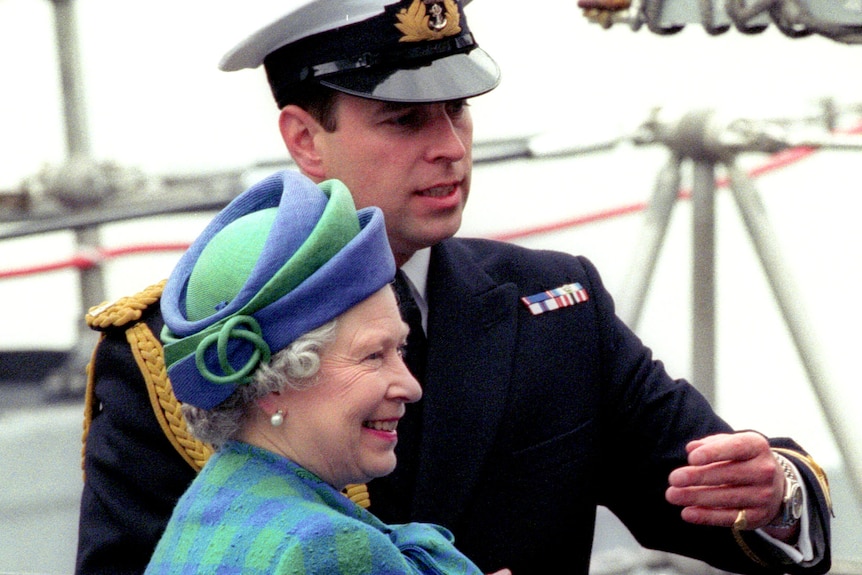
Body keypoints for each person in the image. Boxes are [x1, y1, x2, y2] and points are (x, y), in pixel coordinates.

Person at [76, 1, 833, 574]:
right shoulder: (179, 346)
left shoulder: (555, 304)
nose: (449, 148)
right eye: (405, 120)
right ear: (305, 138)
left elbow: (702, 483)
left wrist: (774, 494)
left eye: (458, 111)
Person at [142, 169, 503, 574]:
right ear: (271, 382)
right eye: (372, 356)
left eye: (400, 348)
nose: (409, 385)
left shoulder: (210, 503)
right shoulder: (327, 548)